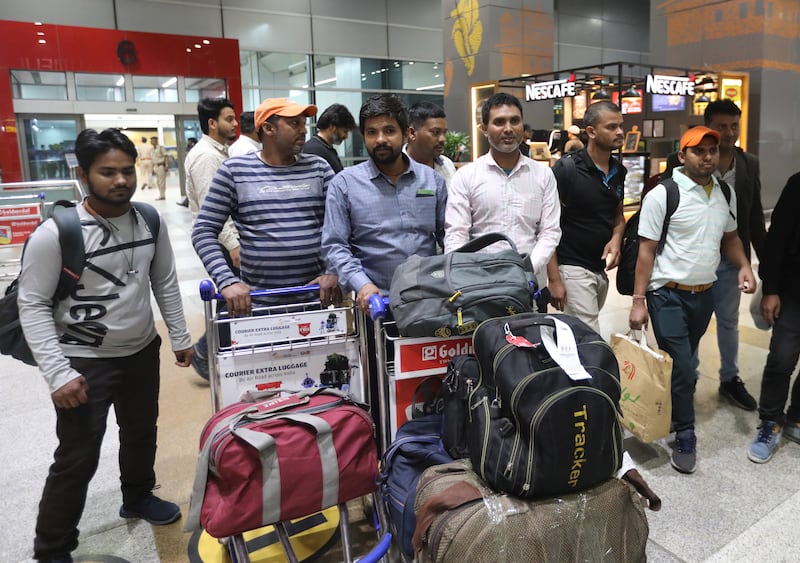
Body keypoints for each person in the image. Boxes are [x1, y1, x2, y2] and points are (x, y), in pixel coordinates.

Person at [17, 128, 193, 563]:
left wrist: (179, 336)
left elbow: (165, 281)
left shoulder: (149, 220)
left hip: (140, 351)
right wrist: (59, 373)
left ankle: (137, 497)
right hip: (83, 361)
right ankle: (52, 548)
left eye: (127, 171)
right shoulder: (56, 234)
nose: (120, 181)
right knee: (77, 457)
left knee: (140, 432)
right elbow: (33, 303)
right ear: (82, 174)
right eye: (107, 172)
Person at [628, 126, 756, 474]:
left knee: (679, 362)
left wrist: (744, 265)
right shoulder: (663, 194)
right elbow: (646, 251)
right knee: (685, 365)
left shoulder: (725, 193)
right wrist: (639, 300)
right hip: (666, 292)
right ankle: (686, 433)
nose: (707, 156)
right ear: (682, 156)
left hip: (705, 293)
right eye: (698, 151)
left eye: (712, 150)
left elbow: (730, 237)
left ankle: (669, 411)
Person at [192, 97, 339, 318]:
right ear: (268, 128)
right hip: (258, 307)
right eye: (295, 124)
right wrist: (227, 280)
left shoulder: (318, 168)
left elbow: (343, 226)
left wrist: (334, 271)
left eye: (303, 123)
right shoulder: (235, 171)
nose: (304, 131)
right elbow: (203, 230)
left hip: (315, 301)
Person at [664, 99, 767, 411]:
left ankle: (730, 378)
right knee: (690, 322)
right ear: (707, 127)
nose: (728, 133)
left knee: (729, 321)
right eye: (721, 126)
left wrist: (764, 264)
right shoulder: (680, 160)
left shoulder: (748, 163)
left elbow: (753, 214)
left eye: (734, 126)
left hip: (731, 260)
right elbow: (668, 210)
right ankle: (688, 378)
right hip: (692, 259)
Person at [323, 93, 447, 311]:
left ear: (407, 134)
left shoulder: (432, 180)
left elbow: (448, 235)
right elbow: (335, 246)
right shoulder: (344, 185)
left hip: (429, 302)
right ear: (363, 136)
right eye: (372, 132)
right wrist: (363, 284)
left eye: (389, 130)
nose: (380, 139)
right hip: (375, 303)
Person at [444, 92, 561, 285]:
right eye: (499, 122)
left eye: (514, 121)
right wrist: (466, 273)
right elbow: (456, 233)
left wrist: (528, 267)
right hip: (480, 284)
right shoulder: (466, 176)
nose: (508, 129)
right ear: (484, 129)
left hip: (530, 281)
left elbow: (550, 232)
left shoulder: (543, 175)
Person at [546, 101, 626, 333]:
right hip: (572, 266)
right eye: (611, 127)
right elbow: (546, 224)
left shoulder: (619, 171)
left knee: (576, 335)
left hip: (599, 269)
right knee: (590, 337)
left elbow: (618, 217)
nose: (620, 132)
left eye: (621, 126)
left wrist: (616, 239)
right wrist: (554, 279)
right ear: (591, 131)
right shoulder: (566, 170)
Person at [746, 171, 800, 463]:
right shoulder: (797, 184)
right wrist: (772, 290)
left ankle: (797, 417)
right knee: (782, 358)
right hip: (793, 291)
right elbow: (777, 239)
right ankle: (770, 422)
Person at [184, 97, 239, 379]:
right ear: (212, 123)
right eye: (229, 119)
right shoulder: (207, 156)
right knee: (231, 301)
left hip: (223, 240)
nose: (235, 124)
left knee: (229, 301)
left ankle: (212, 353)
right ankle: (204, 353)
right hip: (220, 241)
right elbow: (212, 209)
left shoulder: (217, 152)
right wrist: (233, 245)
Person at [405, 101, 457, 187]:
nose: (442, 139)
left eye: (444, 133)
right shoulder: (397, 167)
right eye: (435, 132)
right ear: (412, 133)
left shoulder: (447, 164)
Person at [301, 103, 356, 173]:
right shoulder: (313, 151)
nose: (346, 136)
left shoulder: (325, 148)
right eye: (345, 131)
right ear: (332, 127)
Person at [177, 137, 198, 207]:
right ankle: (186, 201)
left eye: (189, 141)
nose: (187, 143)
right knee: (190, 187)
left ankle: (186, 202)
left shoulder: (197, 148)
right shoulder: (188, 148)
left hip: (196, 168)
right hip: (190, 168)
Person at [150, 136, 169, 200]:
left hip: (161, 166)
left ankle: (162, 195)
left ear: (156, 141)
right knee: (158, 182)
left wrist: (166, 165)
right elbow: (153, 159)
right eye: (151, 141)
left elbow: (166, 156)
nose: (152, 142)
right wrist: (152, 168)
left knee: (162, 182)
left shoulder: (161, 148)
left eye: (154, 140)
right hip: (155, 166)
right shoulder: (152, 149)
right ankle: (161, 194)